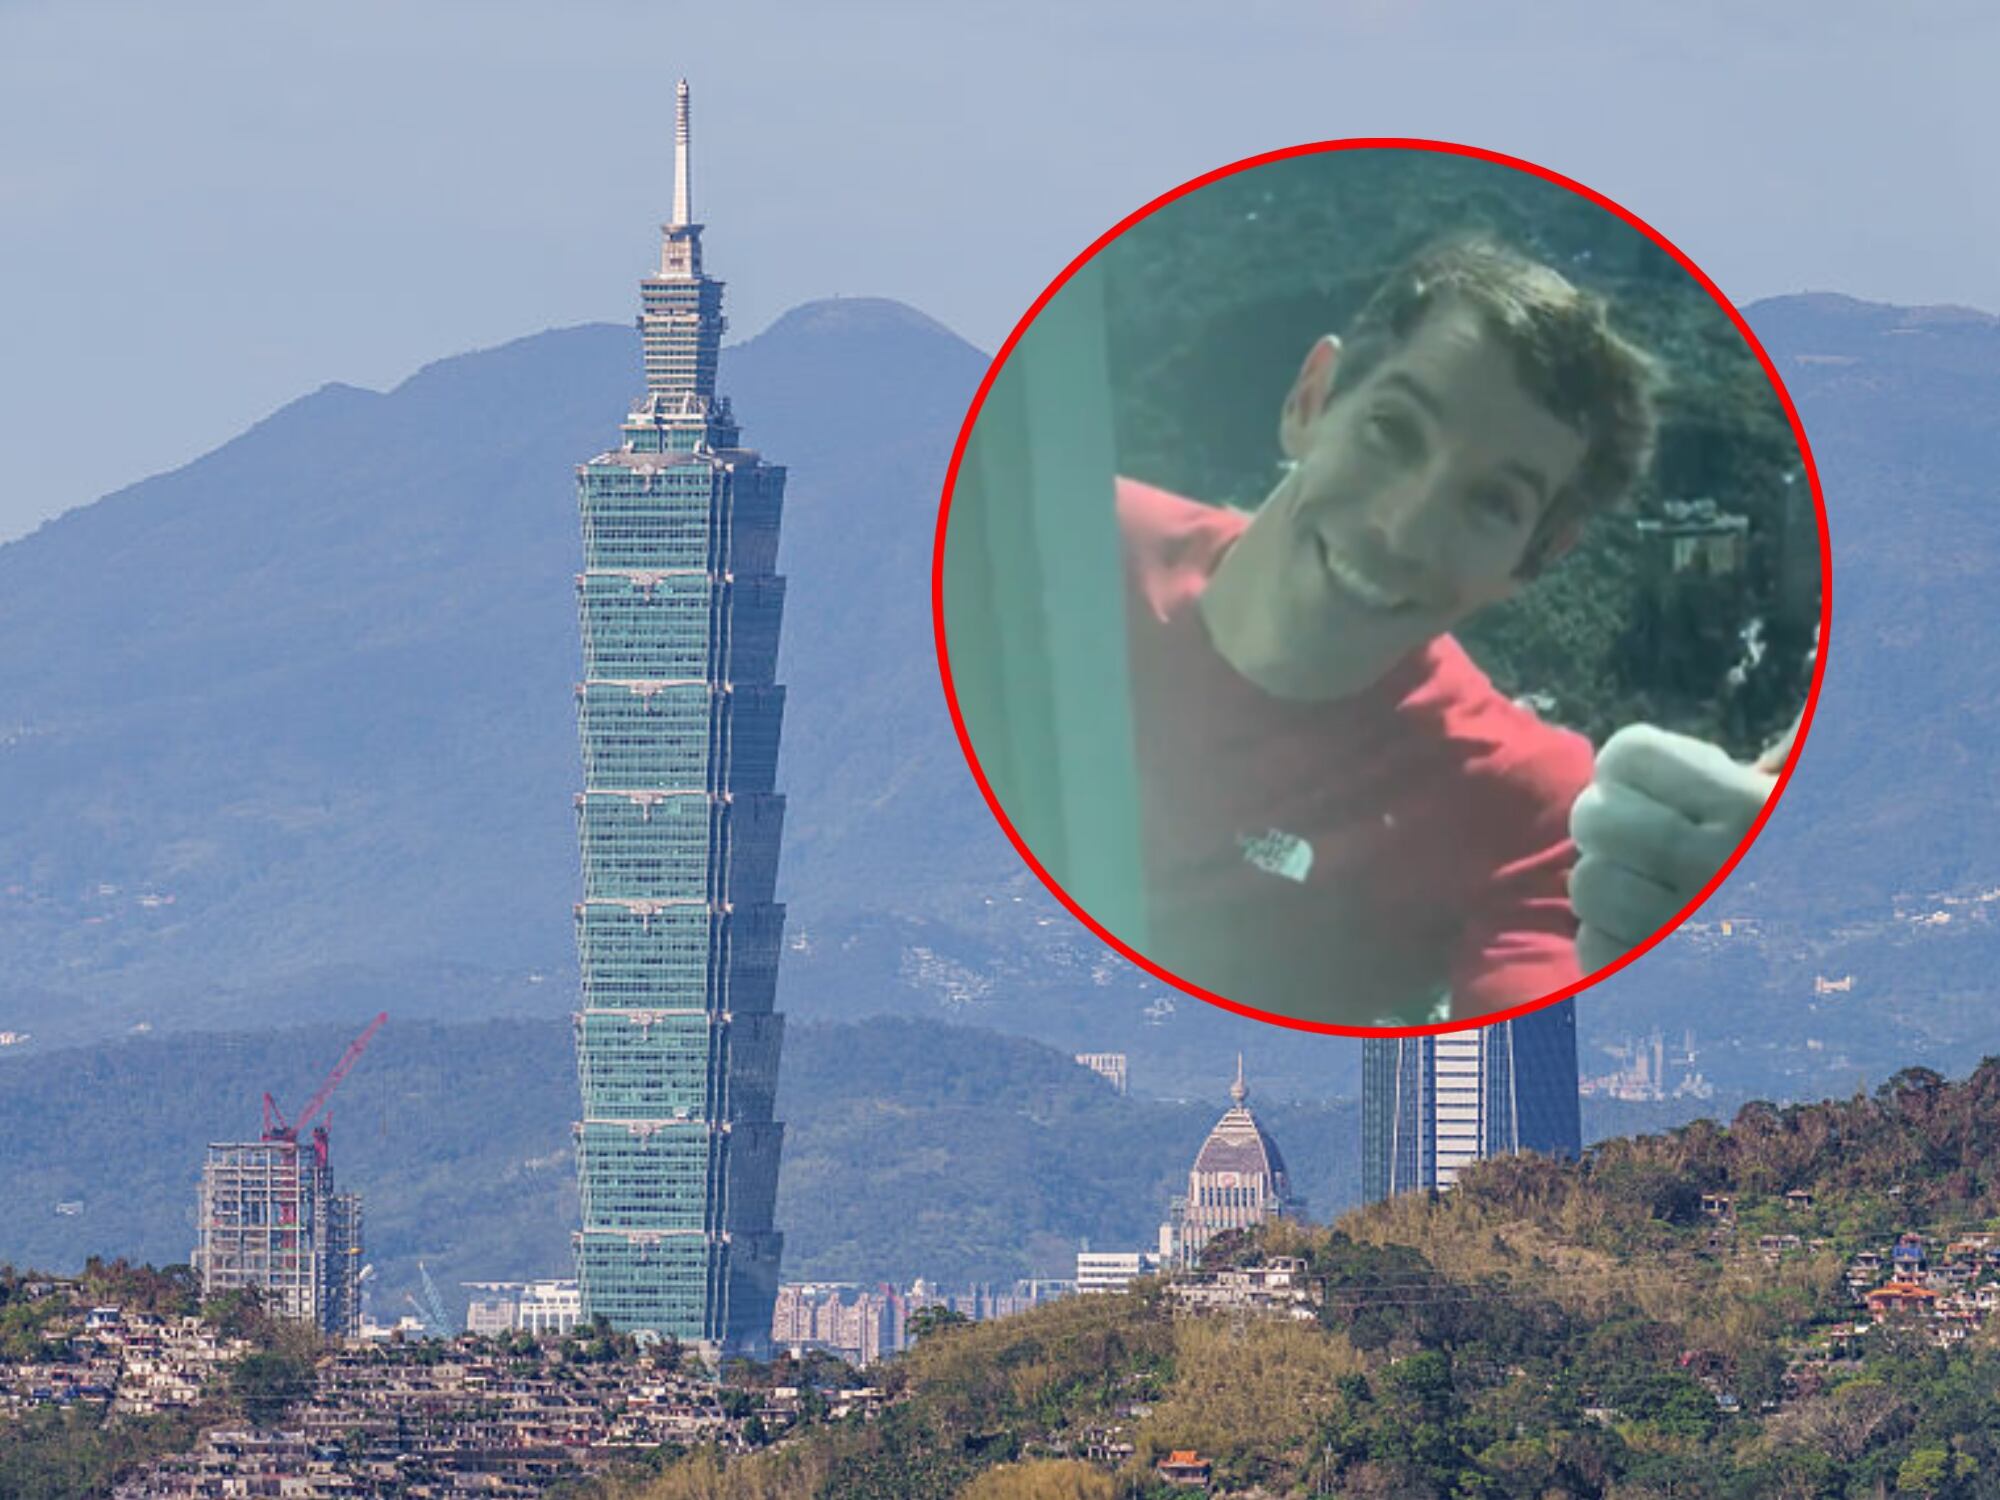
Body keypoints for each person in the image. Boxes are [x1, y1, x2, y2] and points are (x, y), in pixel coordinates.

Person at [1119, 235, 1664, 1027]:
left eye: (1490, 504)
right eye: (1393, 431)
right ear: (1312, 399)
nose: (1402, 530)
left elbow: (1533, 1050)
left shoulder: (1526, 813)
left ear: (1533, 560)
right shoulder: (1057, 552)